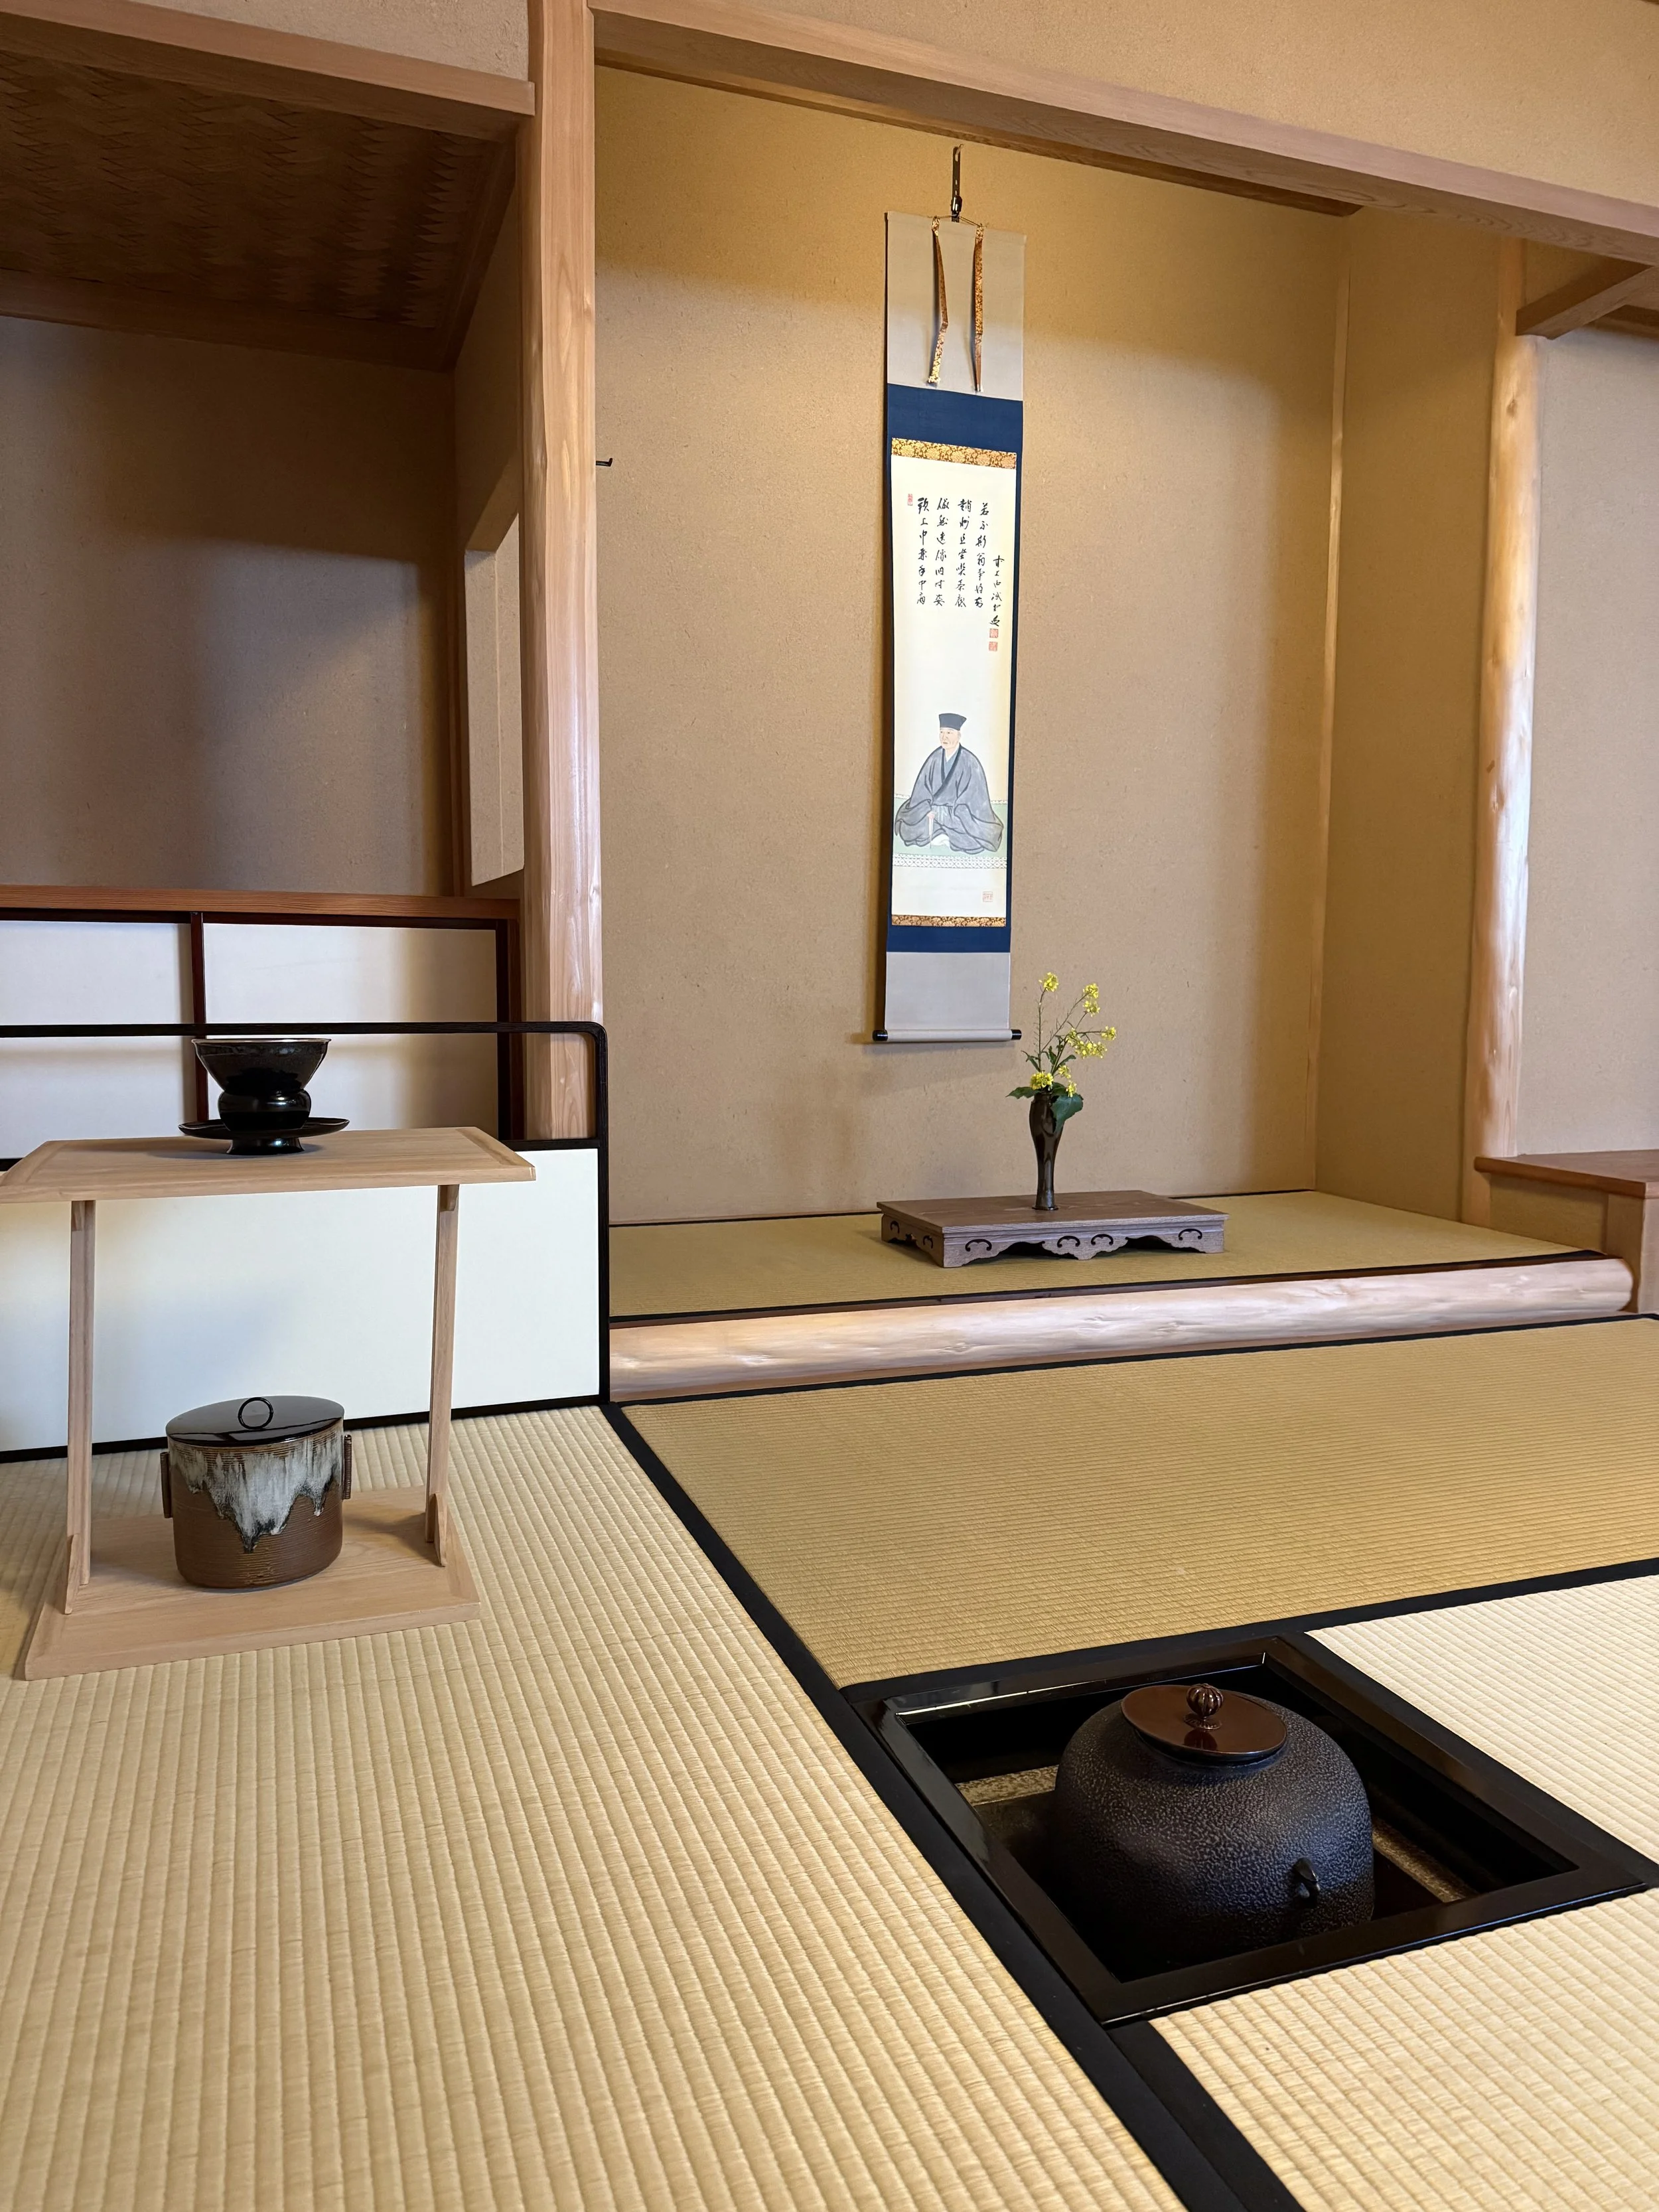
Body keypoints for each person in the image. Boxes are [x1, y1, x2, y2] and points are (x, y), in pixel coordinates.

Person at [893, 713, 1004, 853]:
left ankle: (940, 833)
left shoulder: (970, 762)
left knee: (973, 834)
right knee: (908, 824)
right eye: (941, 732)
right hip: (932, 811)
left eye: (949, 733)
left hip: (957, 814)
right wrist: (927, 808)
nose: (944, 737)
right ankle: (939, 833)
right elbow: (922, 789)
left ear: (959, 736)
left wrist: (946, 812)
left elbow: (973, 798)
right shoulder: (934, 758)